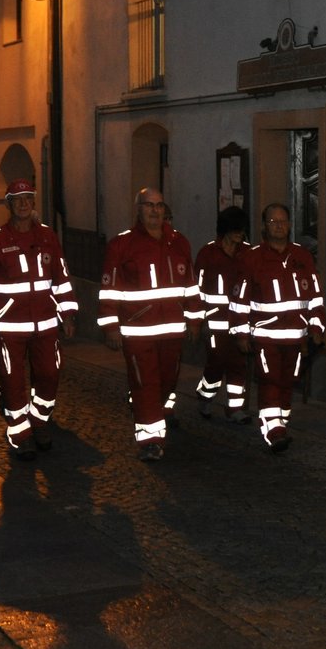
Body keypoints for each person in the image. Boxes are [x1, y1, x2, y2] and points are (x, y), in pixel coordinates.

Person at [0, 180, 78, 459]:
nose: (23, 203)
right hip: (8, 328)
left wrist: (67, 313)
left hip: (46, 324)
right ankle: (20, 432)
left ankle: (39, 420)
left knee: (50, 374)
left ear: (33, 202)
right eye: (17, 199)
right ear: (8, 205)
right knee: (12, 379)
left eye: (28, 198)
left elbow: (61, 278)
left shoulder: (48, 237)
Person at [97, 187, 202, 461]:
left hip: (173, 332)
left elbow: (190, 284)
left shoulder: (179, 242)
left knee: (167, 381)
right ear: (139, 209)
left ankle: (150, 411)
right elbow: (109, 290)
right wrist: (111, 327)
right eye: (149, 205)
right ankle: (150, 440)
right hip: (137, 332)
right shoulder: (122, 245)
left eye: (159, 205)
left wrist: (194, 318)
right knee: (146, 383)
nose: (155, 210)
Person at [231, 203, 326, 452]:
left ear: (290, 225)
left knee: (288, 381)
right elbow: (240, 300)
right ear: (264, 226)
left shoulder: (302, 256)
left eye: (283, 221)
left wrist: (317, 327)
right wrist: (241, 332)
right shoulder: (252, 258)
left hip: (296, 338)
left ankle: (280, 421)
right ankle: (273, 429)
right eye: (273, 222)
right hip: (265, 336)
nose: (279, 226)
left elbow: (315, 296)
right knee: (270, 380)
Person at [193, 206, 252, 423]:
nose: (239, 234)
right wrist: (197, 320)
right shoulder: (208, 254)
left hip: (240, 322)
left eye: (242, 230)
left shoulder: (248, 253)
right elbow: (196, 290)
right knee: (216, 362)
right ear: (225, 229)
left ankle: (234, 408)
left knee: (238, 364)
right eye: (235, 229)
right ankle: (205, 396)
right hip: (215, 322)